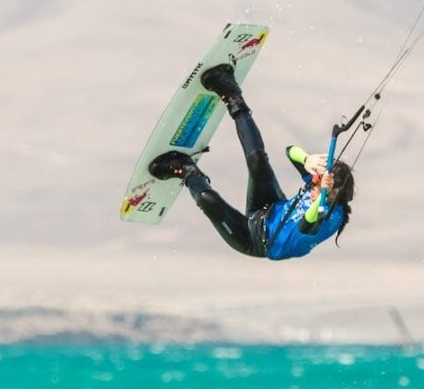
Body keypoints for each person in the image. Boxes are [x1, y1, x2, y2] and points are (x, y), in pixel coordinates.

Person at [147, 63, 354, 260]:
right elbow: (290, 151)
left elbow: (307, 225)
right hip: (271, 206)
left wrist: (321, 198)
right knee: (257, 161)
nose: (315, 185)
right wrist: (306, 159)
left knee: (206, 199)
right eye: (317, 179)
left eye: (323, 187)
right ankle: (231, 94)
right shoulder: (320, 183)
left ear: (338, 195)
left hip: (254, 240)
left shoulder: (333, 216)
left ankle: (186, 169)